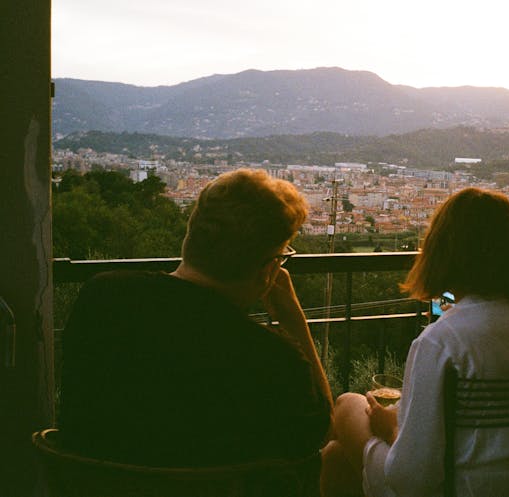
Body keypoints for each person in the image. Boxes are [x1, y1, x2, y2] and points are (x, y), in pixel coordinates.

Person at [58, 169, 332, 467]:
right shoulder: (270, 358)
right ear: (268, 269)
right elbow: (321, 433)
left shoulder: (101, 296)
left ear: (192, 234)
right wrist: (295, 323)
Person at [321, 188, 509, 497]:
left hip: (454, 489)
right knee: (336, 457)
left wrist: (389, 428)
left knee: (346, 406)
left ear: (443, 252)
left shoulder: (441, 341)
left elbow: (412, 479)